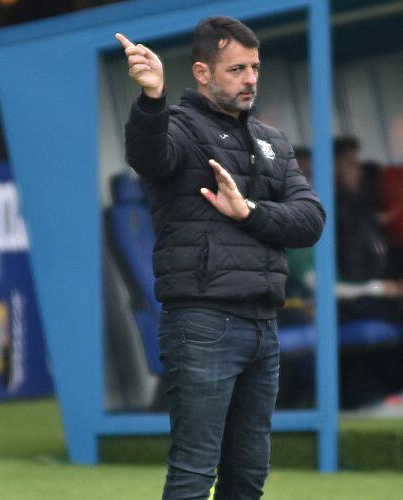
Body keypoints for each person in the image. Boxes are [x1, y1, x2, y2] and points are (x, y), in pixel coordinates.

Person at [116, 16, 325, 499]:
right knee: (193, 473)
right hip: (202, 322)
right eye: (236, 69)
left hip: (263, 325)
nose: (251, 78)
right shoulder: (178, 129)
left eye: (255, 67)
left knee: (248, 477)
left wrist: (248, 210)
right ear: (203, 73)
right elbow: (147, 157)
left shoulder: (273, 140)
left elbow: (310, 220)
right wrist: (151, 99)